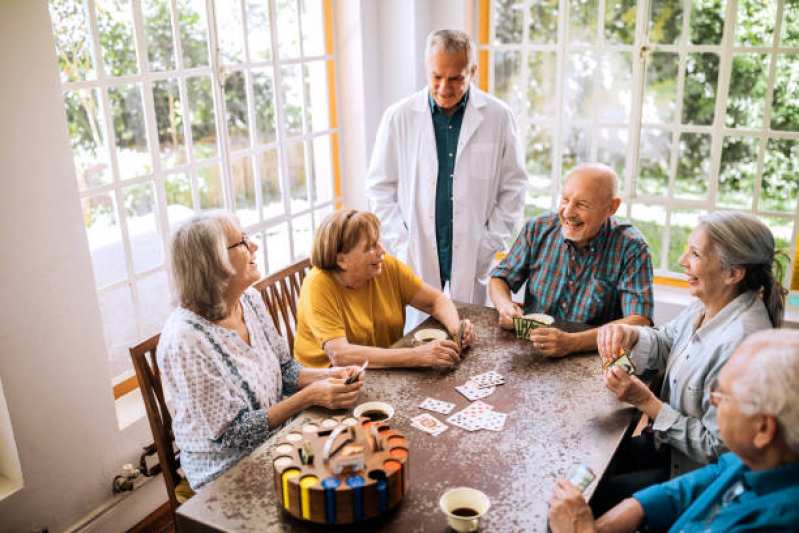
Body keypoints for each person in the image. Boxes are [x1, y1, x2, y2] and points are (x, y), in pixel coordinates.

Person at [592, 211, 787, 508]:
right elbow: (667, 341)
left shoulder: (741, 342)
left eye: (695, 254)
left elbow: (717, 449)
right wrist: (631, 335)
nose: (682, 261)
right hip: (665, 446)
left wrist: (646, 403)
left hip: (693, 475)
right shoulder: (706, 303)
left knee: (593, 496)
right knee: (589, 460)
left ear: (733, 273)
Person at [157, 212, 364, 490]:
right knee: (336, 488)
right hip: (226, 470)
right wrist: (309, 396)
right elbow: (234, 434)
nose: (253, 246)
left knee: (356, 460)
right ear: (211, 263)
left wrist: (329, 375)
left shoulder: (250, 299)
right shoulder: (185, 341)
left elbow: (285, 368)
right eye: (242, 242)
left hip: (281, 439)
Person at [548, 329, 799, 533]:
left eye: (724, 395)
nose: (712, 400)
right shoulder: (761, 458)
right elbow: (710, 477)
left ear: (763, 429)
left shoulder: (776, 522)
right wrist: (636, 507)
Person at [365, 29, 527, 308]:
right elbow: (380, 188)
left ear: (472, 71)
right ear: (426, 69)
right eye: (436, 76)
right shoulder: (398, 117)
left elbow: (514, 186)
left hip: (474, 247)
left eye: (455, 78)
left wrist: (491, 240)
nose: (444, 88)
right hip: (418, 249)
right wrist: (401, 241)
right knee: (421, 339)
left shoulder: (498, 116)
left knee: (472, 333)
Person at [489, 163, 654, 357]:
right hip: (532, 351)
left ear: (612, 207)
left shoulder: (632, 247)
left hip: (593, 358)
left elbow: (639, 320)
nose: (567, 212)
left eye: (582, 205)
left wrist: (572, 343)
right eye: (565, 200)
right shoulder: (537, 228)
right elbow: (500, 278)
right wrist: (505, 306)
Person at [293, 209, 475, 369]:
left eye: (378, 242)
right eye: (370, 247)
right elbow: (340, 355)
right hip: (327, 385)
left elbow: (436, 301)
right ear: (342, 260)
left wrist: (456, 329)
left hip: (380, 370)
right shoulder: (317, 285)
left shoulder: (385, 266)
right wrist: (417, 356)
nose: (382, 251)